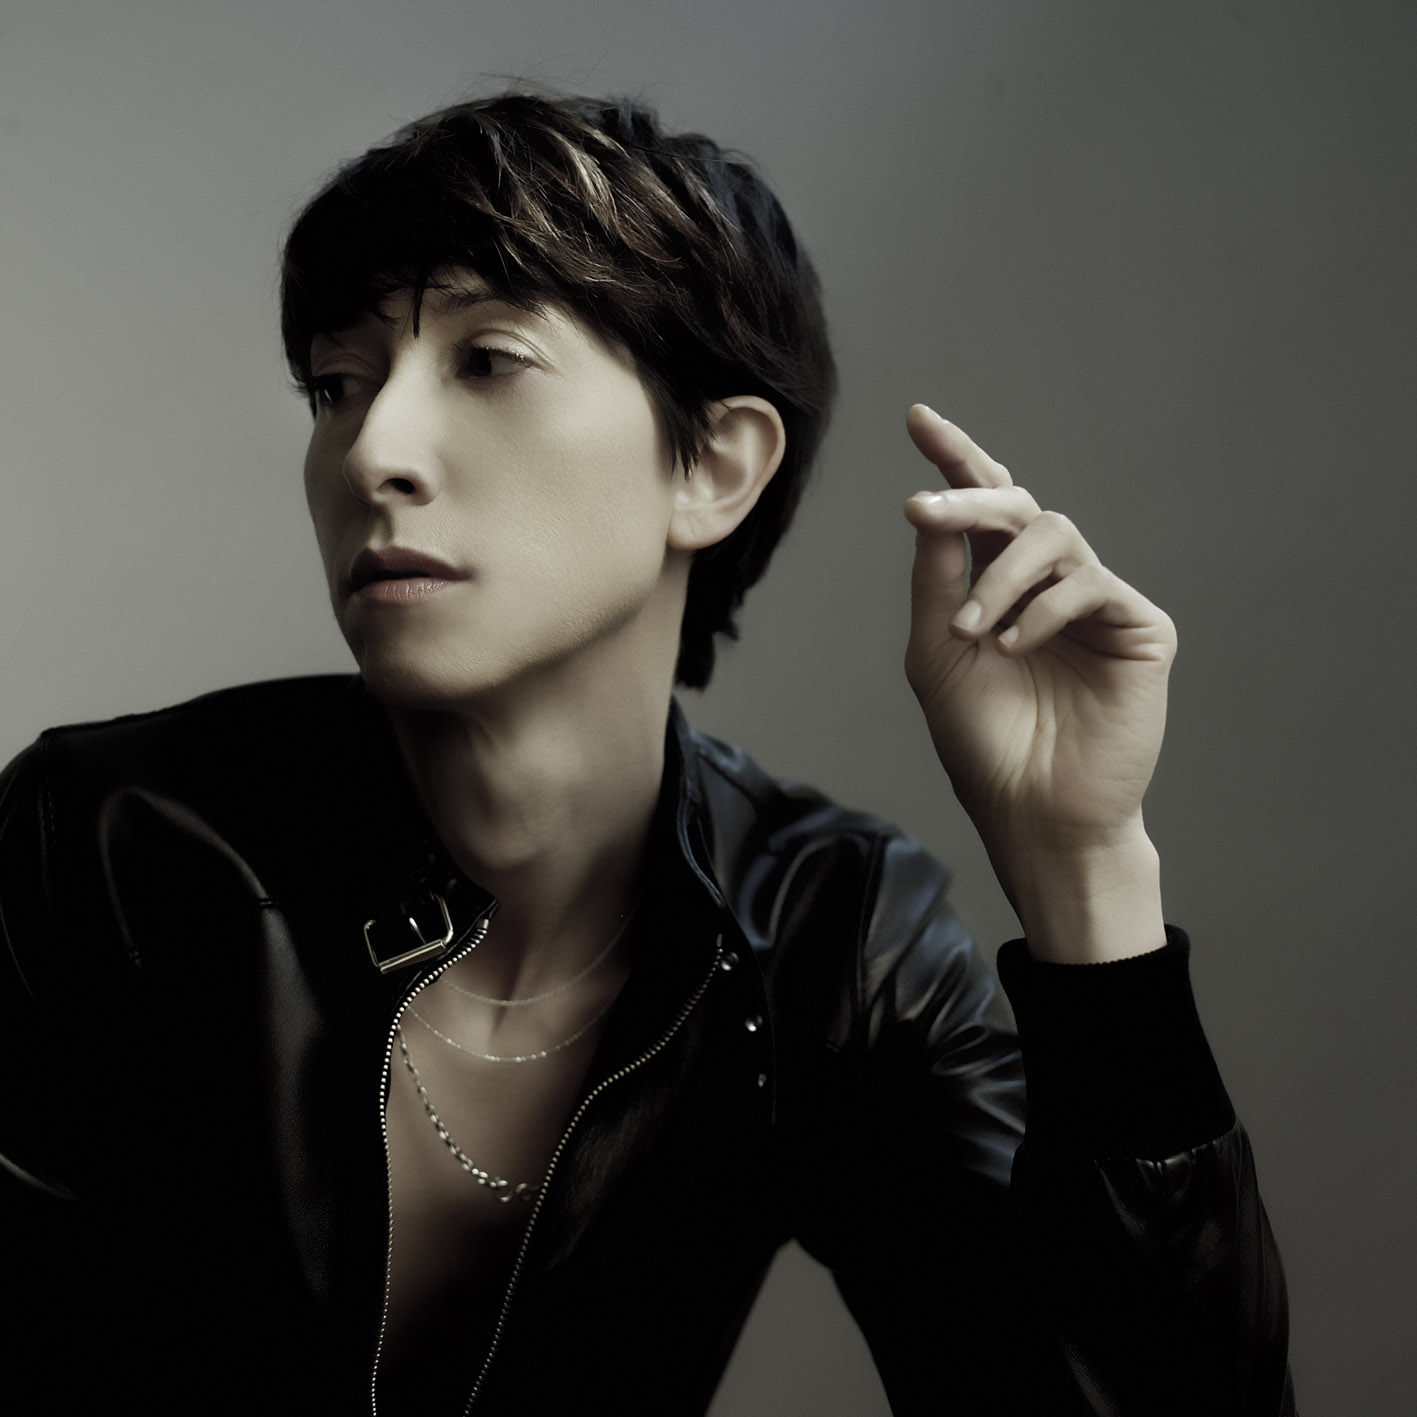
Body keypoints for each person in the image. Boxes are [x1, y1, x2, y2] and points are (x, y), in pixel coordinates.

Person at [0, 92, 1294, 1415]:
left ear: (714, 467)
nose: (371, 451)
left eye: (487, 361)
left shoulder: (830, 935)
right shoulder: (111, 844)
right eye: (339, 386)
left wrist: (1082, 868)